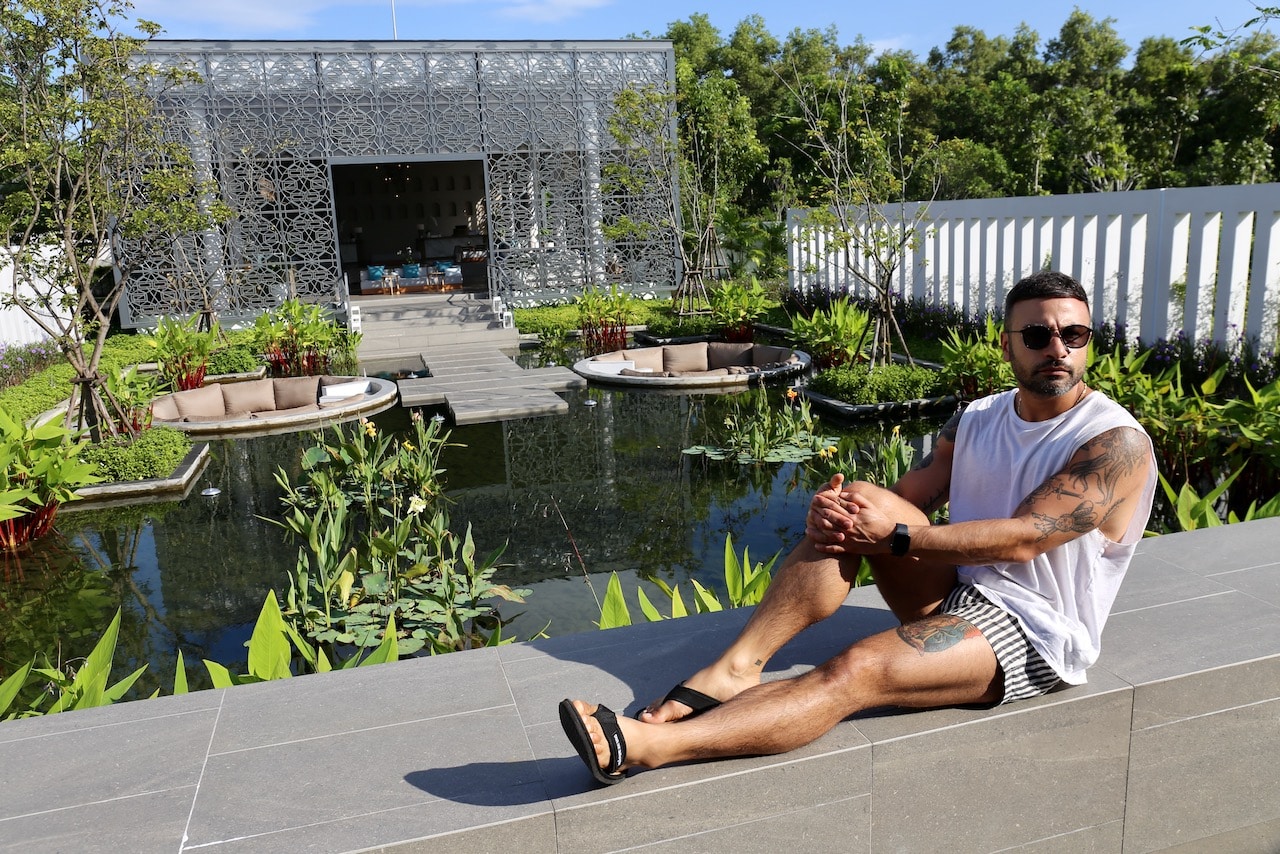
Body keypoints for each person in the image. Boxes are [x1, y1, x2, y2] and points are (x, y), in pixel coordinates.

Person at [559, 270, 1158, 786]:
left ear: (1087, 344)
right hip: (961, 592)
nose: (1057, 348)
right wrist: (845, 512)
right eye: (1038, 334)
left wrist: (895, 538)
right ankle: (736, 667)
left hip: (1035, 632)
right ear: (1007, 346)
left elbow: (1029, 536)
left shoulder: (1114, 442)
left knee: (854, 672)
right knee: (856, 501)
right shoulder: (977, 417)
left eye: (1072, 334)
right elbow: (902, 500)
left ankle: (649, 746)